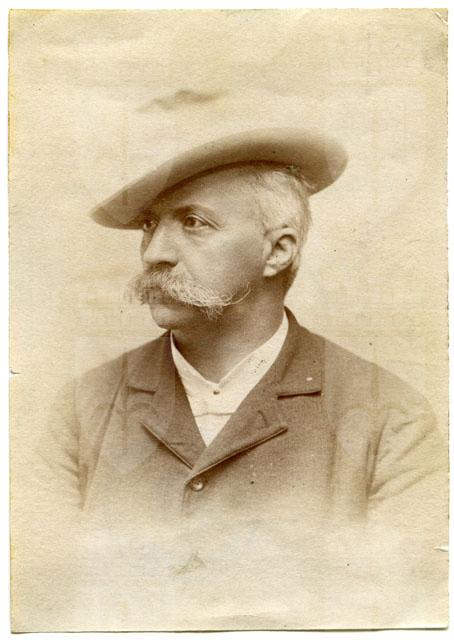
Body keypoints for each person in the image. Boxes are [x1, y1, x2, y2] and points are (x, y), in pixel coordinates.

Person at [29, 128, 447, 629]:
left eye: (194, 222)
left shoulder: (390, 416)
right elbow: (40, 600)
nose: (154, 252)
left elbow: (407, 615)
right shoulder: (84, 406)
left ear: (278, 251)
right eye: (149, 225)